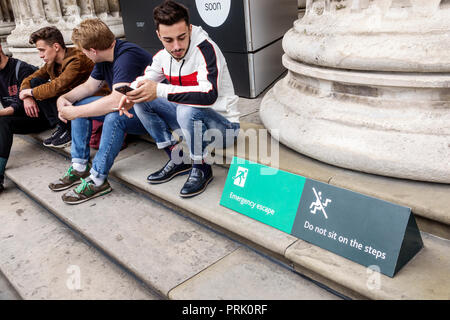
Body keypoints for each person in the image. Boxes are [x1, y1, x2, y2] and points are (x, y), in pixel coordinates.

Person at [119, 0, 240, 198]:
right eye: (168, 40)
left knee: (186, 107)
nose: (176, 46)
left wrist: (160, 89)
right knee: (143, 99)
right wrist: (131, 93)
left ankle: (202, 167)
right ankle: (177, 157)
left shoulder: (207, 49)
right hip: (191, 125)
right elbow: (146, 80)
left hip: (224, 128)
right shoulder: (161, 56)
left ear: (190, 29)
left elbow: (209, 95)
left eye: (182, 37)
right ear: (158, 35)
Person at [49, 18, 152, 204]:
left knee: (114, 116)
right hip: (131, 109)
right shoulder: (105, 56)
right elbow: (89, 87)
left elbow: (115, 101)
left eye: (84, 51)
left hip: (152, 116)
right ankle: (80, 166)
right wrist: (64, 99)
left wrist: (75, 113)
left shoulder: (126, 57)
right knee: (80, 104)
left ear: (93, 50)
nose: (83, 54)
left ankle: (98, 180)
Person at [19, 26, 96, 148]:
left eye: (42, 50)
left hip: (88, 99)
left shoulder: (76, 59)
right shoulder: (52, 62)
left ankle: (68, 130)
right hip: (70, 101)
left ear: (56, 47)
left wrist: (30, 92)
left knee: (47, 89)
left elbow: (57, 86)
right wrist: (26, 95)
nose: (40, 55)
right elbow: (30, 78)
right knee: (36, 82)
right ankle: (62, 127)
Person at [0, 44, 40, 193]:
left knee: (2, 121)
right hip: (16, 119)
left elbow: (18, 105)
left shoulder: (21, 68)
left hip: (36, 117)